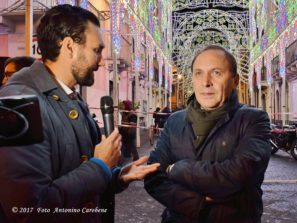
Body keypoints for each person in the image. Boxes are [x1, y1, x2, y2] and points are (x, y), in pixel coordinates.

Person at [0, 5, 159, 223]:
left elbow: (76, 171)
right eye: (96, 50)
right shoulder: (18, 103)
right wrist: (100, 166)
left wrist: (117, 176)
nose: (101, 61)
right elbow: (26, 211)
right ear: (69, 47)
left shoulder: (70, 97)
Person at [144, 45, 271, 223]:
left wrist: (177, 169)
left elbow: (239, 175)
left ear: (235, 80)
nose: (206, 82)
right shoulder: (175, 121)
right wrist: (197, 203)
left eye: (216, 72)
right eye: (198, 73)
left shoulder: (253, 119)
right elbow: (153, 177)